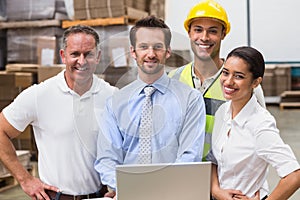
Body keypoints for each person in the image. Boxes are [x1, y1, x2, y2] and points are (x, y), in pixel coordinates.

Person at [0, 25, 118, 200]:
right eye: (75, 54)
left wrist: (120, 184)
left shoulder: (112, 96)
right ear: (63, 56)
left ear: (98, 57)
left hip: (99, 197)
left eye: (89, 54)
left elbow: (127, 146)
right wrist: (25, 179)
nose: (82, 61)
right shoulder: (40, 95)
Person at [94, 15, 206, 199]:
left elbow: (189, 157)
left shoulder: (190, 100)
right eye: (143, 47)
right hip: (128, 195)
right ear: (133, 51)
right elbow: (107, 158)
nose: (151, 54)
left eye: (158, 47)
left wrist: (158, 191)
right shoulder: (116, 103)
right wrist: (125, 188)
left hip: (173, 196)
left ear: (168, 51)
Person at [168, 0, 266, 161]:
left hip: (226, 176)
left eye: (212, 31)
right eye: (198, 30)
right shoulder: (173, 80)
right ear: (189, 33)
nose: (204, 38)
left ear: (223, 34)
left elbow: (259, 136)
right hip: (183, 173)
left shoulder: (245, 85)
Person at [208, 46, 300, 200]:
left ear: (255, 82)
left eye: (238, 76)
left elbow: (294, 175)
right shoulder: (222, 111)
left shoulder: (260, 124)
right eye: (225, 73)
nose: (228, 81)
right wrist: (216, 190)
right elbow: (214, 158)